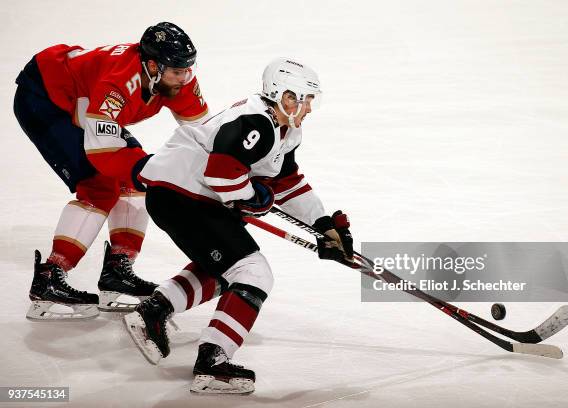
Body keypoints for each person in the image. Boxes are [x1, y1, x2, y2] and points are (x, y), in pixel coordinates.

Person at [124, 57, 354, 394]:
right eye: (306, 100)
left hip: (185, 196)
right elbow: (220, 174)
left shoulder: (282, 128)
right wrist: (251, 197)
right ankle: (211, 363)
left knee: (231, 269)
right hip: (183, 197)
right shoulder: (255, 122)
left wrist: (323, 224)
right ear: (287, 97)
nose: (309, 109)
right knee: (252, 272)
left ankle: (153, 312)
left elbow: (286, 183)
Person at [13, 22, 210, 320]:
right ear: (153, 66)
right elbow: (102, 150)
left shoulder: (175, 80)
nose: (184, 78)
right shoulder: (119, 82)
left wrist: (226, 178)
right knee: (101, 187)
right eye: (177, 71)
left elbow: (206, 136)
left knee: (134, 183)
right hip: (45, 98)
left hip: (84, 104)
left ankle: (118, 271)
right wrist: (150, 170)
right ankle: (50, 276)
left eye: (187, 69)